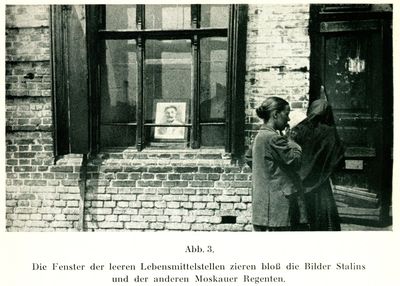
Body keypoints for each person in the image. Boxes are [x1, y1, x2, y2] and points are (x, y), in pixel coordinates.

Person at [246, 96, 308, 231]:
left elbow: (249, 158)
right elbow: (295, 162)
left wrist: (269, 173)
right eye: (286, 114)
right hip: (277, 206)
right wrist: (293, 143)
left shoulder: (260, 135)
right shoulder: (274, 138)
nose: (288, 119)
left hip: (263, 205)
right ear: (275, 114)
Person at [290, 92, 344, 231]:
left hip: (300, 183)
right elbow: (337, 158)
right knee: (324, 218)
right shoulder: (330, 132)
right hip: (321, 183)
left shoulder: (300, 129)